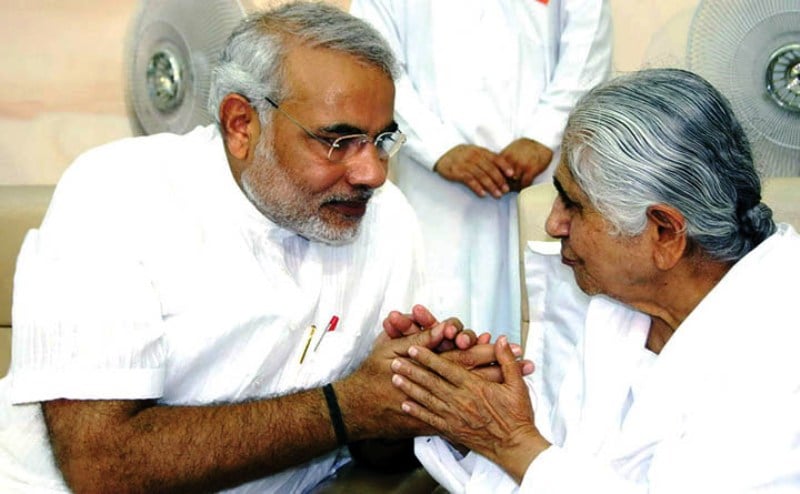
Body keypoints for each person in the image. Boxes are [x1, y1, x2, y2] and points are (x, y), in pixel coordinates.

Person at [0, 3, 516, 492]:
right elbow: (102, 467)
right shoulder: (118, 193)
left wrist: (417, 391)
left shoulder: (390, 221)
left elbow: (378, 455)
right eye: (338, 141)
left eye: (382, 141)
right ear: (242, 124)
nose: (372, 174)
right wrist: (346, 408)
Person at [388, 68, 800, 492]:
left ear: (664, 234)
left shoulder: (781, 348)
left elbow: (534, 457)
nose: (552, 223)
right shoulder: (621, 307)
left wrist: (510, 441)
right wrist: (469, 408)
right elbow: (555, 458)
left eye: (574, 205)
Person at [349, 0, 613, 343]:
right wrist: (439, 148)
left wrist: (544, 134)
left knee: (545, 320)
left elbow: (587, 43)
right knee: (433, 316)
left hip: (538, 176)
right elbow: (374, 60)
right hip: (433, 185)